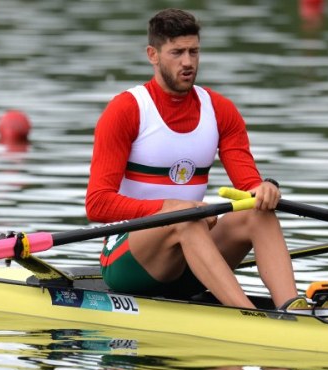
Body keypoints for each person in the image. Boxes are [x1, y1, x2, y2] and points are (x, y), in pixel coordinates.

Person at [85, 8, 300, 310]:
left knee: (257, 212)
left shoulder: (220, 109)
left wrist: (263, 189)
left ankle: (291, 308)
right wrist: (171, 207)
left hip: (190, 257)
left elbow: (248, 184)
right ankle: (249, 317)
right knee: (186, 218)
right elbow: (97, 204)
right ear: (153, 54)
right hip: (128, 261)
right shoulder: (126, 110)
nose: (188, 62)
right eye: (177, 52)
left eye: (194, 52)